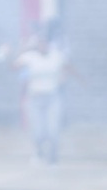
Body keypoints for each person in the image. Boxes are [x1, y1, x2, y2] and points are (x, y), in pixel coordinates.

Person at [13, 34, 78, 165]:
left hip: (52, 98)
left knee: (53, 128)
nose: (43, 46)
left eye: (45, 43)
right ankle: (38, 151)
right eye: (40, 43)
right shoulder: (30, 57)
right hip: (35, 98)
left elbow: (68, 67)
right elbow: (14, 66)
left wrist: (77, 79)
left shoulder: (56, 56)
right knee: (37, 129)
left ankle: (53, 155)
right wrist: (22, 49)